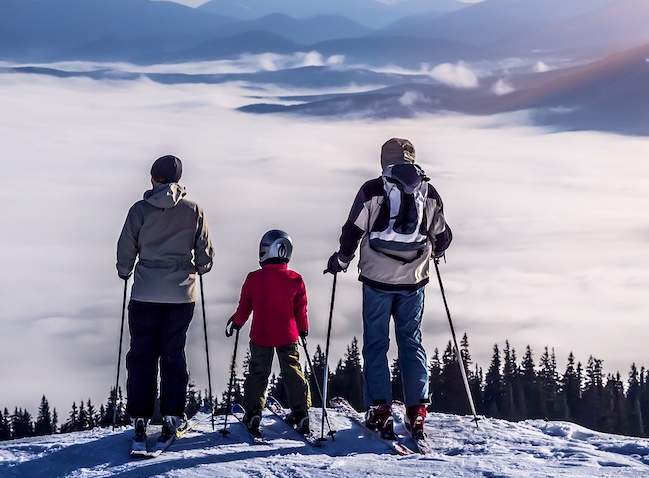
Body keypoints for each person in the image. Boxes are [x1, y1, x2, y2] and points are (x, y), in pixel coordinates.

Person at [325, 137, 452, 441]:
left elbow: (352, 231)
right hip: (414, 279)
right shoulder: (428, 190)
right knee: (411, 341)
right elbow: (442, 236)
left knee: (376, 343)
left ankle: (379, 410)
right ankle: (417, 411)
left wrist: (341, 260)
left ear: (385, 160)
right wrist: (434, 251)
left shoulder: (372, 190)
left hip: (377, 279)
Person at [116, 155, 214, 451]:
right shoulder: (193, 209)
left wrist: (125, 271)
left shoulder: (139, 210)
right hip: (181, 295)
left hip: (145, 292)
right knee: (173, 354)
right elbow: (205, 254)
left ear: (152, 179)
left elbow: (126, 247)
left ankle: (140, 418)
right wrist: (198, 268)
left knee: (141, 354)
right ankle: (172, 415)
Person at [226, 230, 312, 438]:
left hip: (261, 335)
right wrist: (303, 329)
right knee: (293, 371)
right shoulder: (295, 279)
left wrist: (236, 323)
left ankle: (254, 412)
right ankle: (301, 412)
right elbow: (301, 310)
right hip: (288, 334)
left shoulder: (254, 278)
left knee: (258, 373)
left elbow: (245, 307)